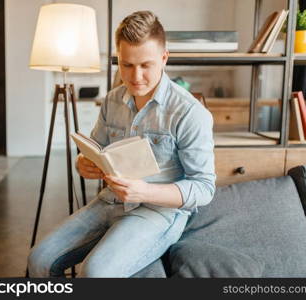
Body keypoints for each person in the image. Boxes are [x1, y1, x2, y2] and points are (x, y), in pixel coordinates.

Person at [27, 10, 216, 278]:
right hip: (109, 201)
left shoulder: (189, 112)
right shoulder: (112, 100)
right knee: (39, 259)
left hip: (157, 212)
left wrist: (143, 192)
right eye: (126, 65)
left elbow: (204, 188)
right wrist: (84, 164)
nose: (135, 76)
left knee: (95, 273)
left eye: (145, 65)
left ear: (164, 58)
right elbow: (94, 151)